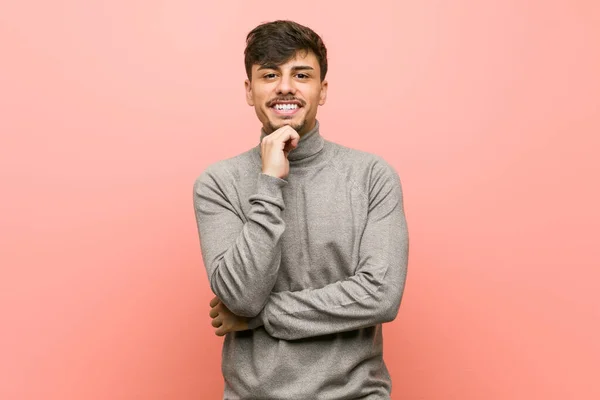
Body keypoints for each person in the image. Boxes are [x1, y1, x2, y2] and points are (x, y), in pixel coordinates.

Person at [193, 19, 409, 399]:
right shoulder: (218, 183)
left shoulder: (372, 176)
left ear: (322, 90)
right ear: (249, 90)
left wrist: (261, 316)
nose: (285, 87)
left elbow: (380, 296)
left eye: (302, 74)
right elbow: (241, 297)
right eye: (270, 74)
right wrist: (270, 181)